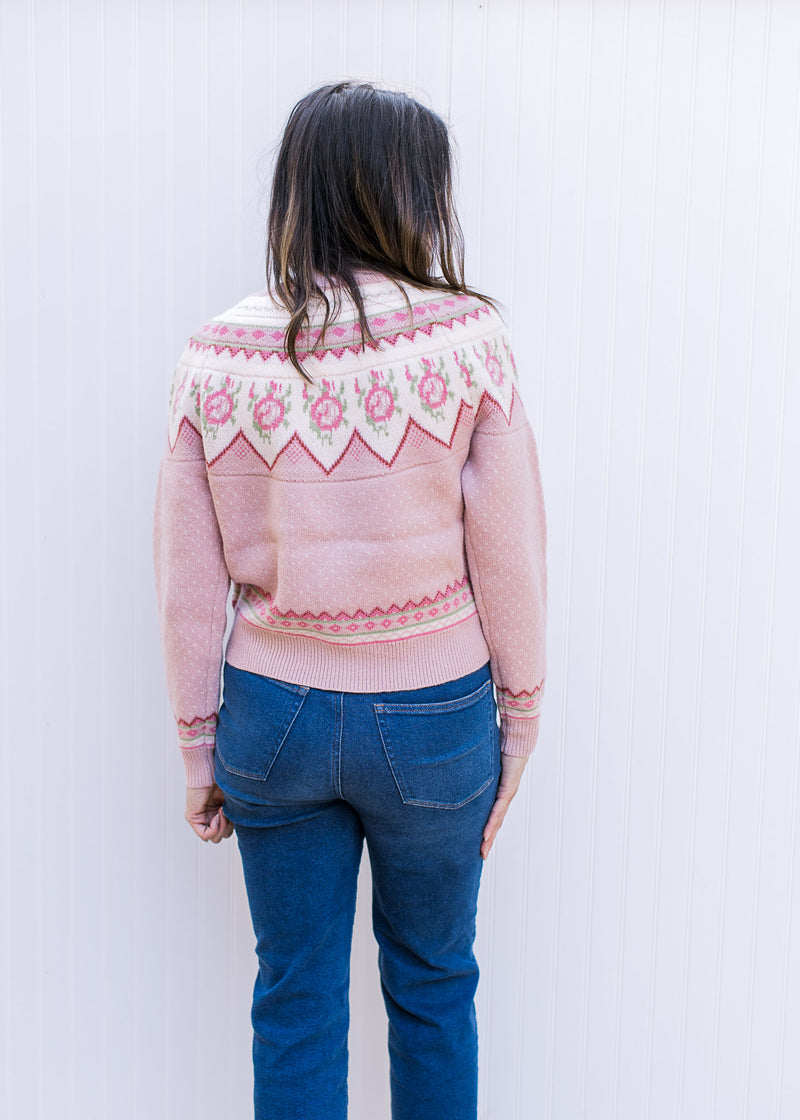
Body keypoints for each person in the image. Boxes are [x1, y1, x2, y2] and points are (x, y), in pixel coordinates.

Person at [152, 79, 547, 1120]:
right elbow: (510, 554)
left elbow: (186, 576)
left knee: (292, 1000)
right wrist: (522, 715)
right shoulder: (468, 342)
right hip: (433, 720)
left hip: (269, 720)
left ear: (302, 191)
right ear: (411, 192)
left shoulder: (215, 355)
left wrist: (199, 747)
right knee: (431, 985)